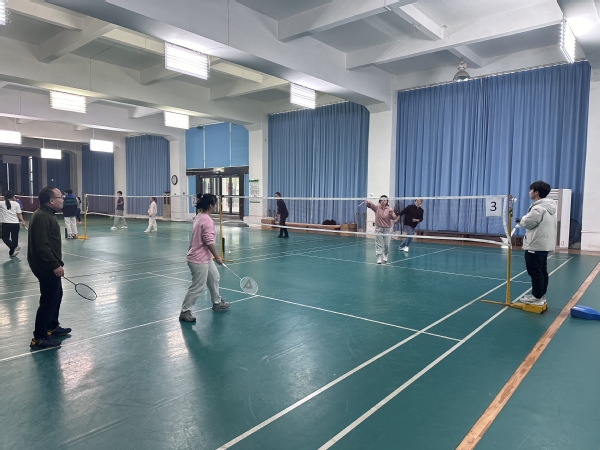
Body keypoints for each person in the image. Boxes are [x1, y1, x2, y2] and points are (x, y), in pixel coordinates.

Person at [28, 187, 71, 349]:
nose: (62, 200)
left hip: (48, 264)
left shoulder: (47, 214)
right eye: (60, 197)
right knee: (48, 300)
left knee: (57, 295)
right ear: (51, 200)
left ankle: (52, 326)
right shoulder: (42, 217)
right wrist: (54, 265)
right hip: (45, 266)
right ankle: (39, 337)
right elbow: (42, 246)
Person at [179, 193, 230, 322]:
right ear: (211, 205)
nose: (216, 207)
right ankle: (185, 311)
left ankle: (217, 302)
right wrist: (217, 257)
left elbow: (196, 237)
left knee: (214, 277)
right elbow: (208, 241)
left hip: (205, 257)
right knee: (198, 285)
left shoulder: (199, 216)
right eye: (215, 204)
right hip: (198, 259)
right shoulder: (206, 220)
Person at [516, 180, 557, 306]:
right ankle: (540, 295)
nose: (529, 192)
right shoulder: (549, 207)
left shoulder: (538, 208)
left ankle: (537, 298)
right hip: (543, 245)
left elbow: (528, 223)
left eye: (531, 190)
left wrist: (522, 219)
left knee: (535, 272)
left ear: (536, 192)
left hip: (536, 244)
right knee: (541, 271)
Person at [366, 195, 397, 264]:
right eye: (381, 200)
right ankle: (379, 257)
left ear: (387, 201)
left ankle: (385, 254)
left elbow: (394, 218)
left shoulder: (390, 209)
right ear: (380, 201)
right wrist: (368, 202)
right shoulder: (377, 208)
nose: (383, 201)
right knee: (378, 244)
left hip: (387, 229)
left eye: (384, 200)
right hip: (378, 229)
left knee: (386, 245)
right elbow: (371, 205)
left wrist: (391, 213)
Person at [0, 190, 27, 257]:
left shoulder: (1, 203)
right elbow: (19, 214)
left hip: (6, 224)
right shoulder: (16, 204)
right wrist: (23, 221)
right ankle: (12, 253)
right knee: (15, 239)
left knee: (5, 238)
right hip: (15, 224)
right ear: (13, 196)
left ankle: (13, 248)